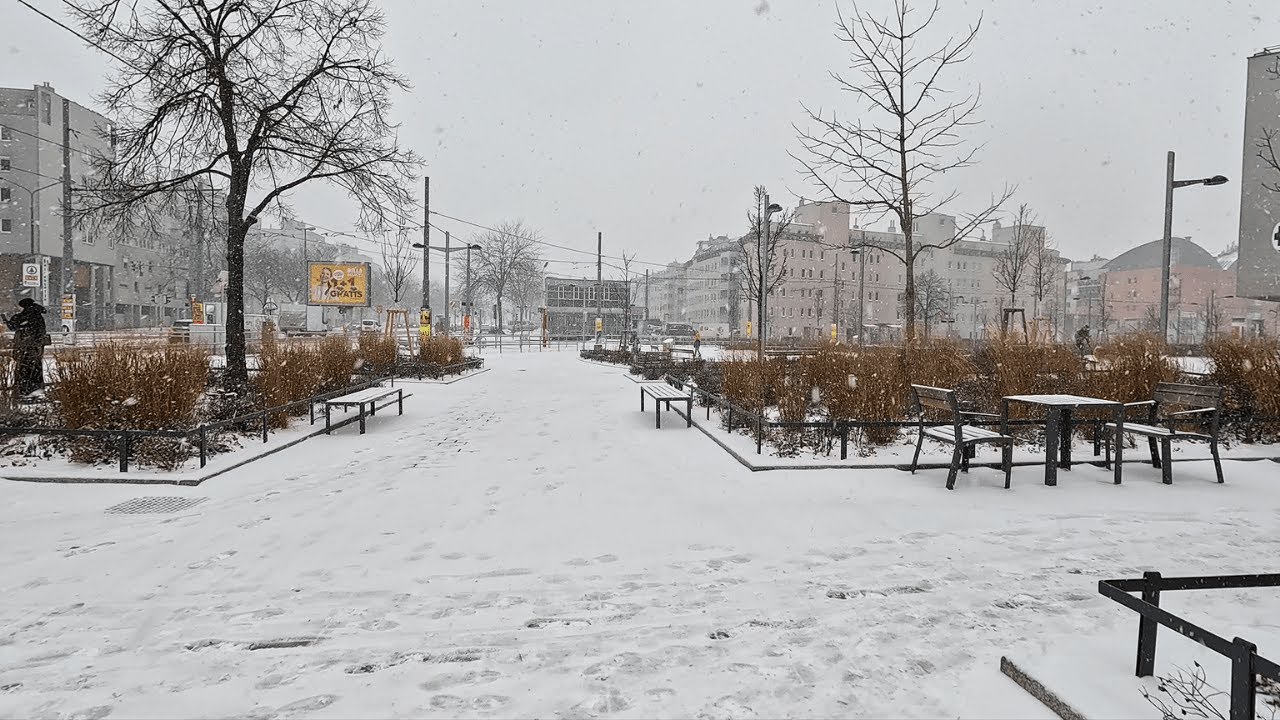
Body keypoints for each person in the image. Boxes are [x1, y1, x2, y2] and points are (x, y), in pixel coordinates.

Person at [3, 298, 49, 397]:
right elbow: (41, 332)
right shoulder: (38, 316)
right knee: (35, 368)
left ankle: (24, 390)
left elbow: (13, 326)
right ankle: (36, 388)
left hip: (25, 348)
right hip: (36, 349)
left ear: (23, 306)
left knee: (24, 370)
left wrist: (5, 320)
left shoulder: (24, 316)